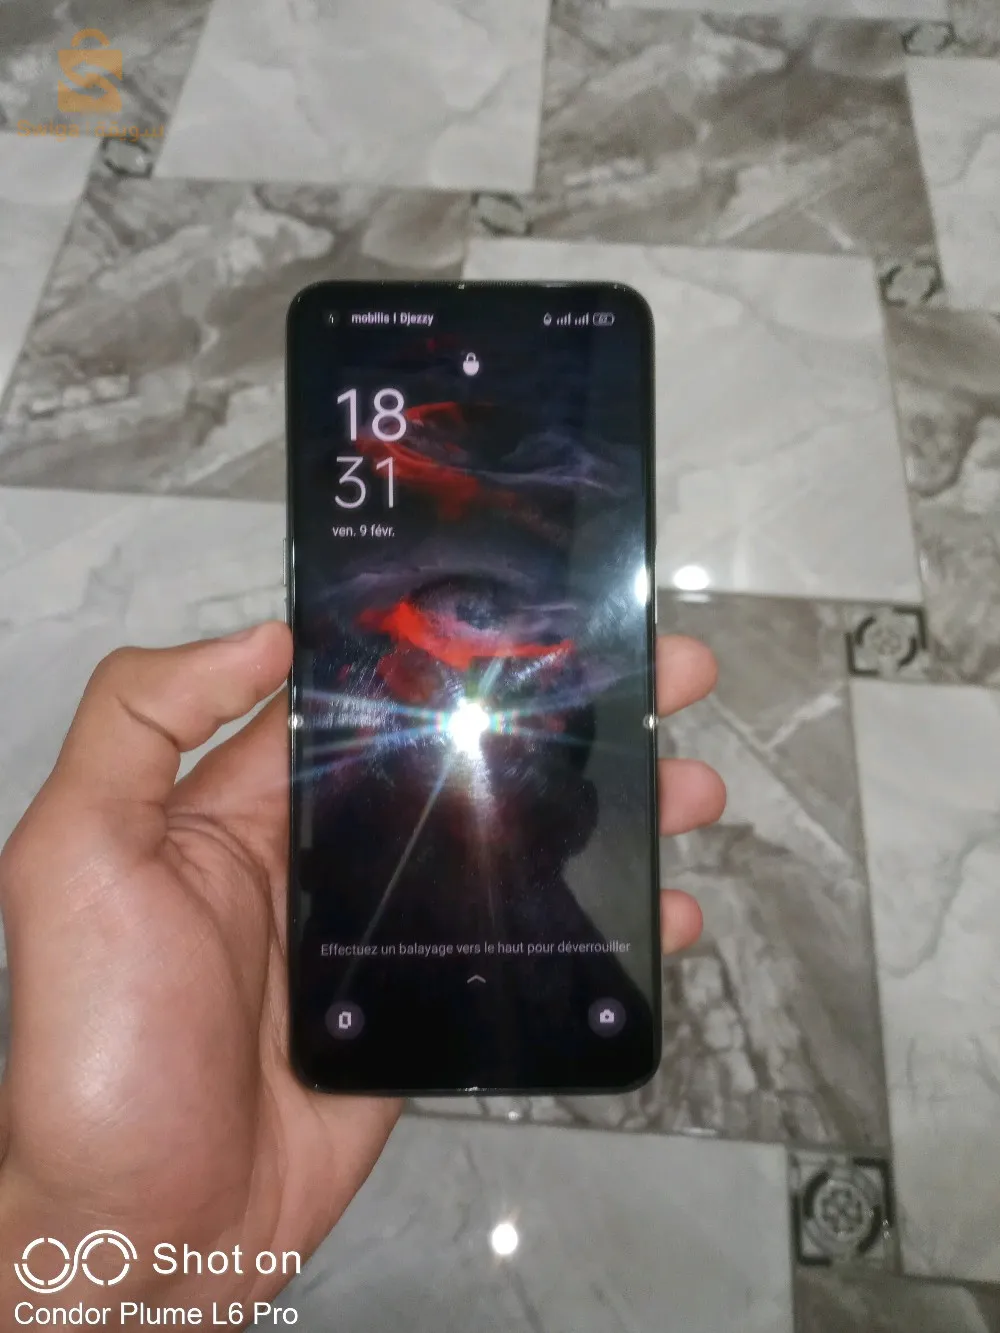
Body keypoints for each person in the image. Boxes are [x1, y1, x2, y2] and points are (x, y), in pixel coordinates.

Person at [0, 622, 725, 1319]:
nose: (466, 752)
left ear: (570, 811)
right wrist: (108, 1251)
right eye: (420, 681)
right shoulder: (560, 978)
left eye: (518, 720)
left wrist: (104, 1261)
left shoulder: (566, 974)